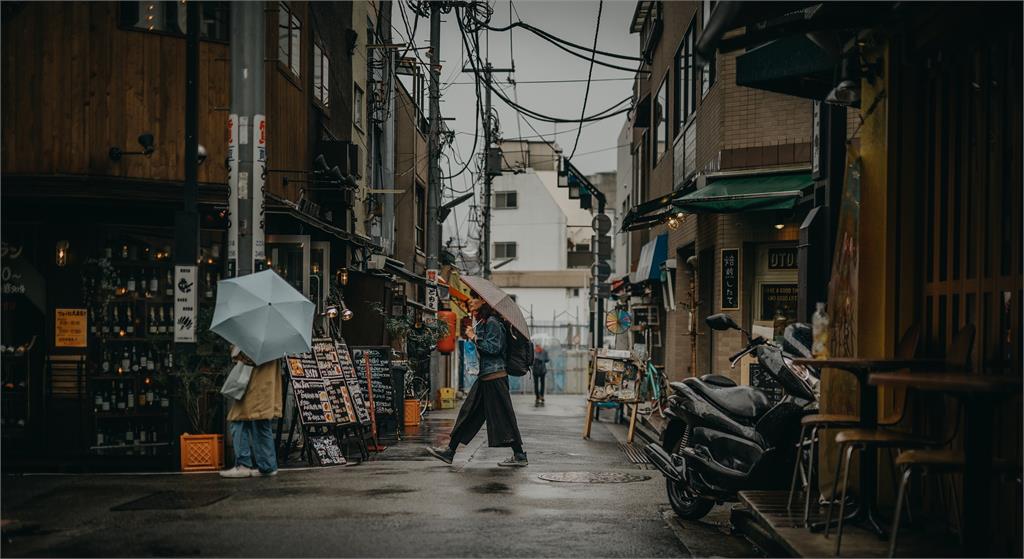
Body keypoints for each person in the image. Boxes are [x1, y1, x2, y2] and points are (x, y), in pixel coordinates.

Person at [426, 295, 528, 467]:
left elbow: (494, 348)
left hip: (495, 377)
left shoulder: (494, 323)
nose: (470, 300)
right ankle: (450, 451)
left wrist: (474, 337)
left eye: (475, 298)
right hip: (486, 377)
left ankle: (519, 455)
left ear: (484, 302)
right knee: (469, 413)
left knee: (503, 416)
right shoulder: (485, 321)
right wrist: (474, 332)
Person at [220, 346, 283, 478]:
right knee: (261, 422)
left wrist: (236, 349)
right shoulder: (276, 338)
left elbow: (249, 358)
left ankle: (243, 465)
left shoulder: (256, 337)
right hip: (267, 384)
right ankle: (267, 466)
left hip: (254, 384)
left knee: (238, 420)